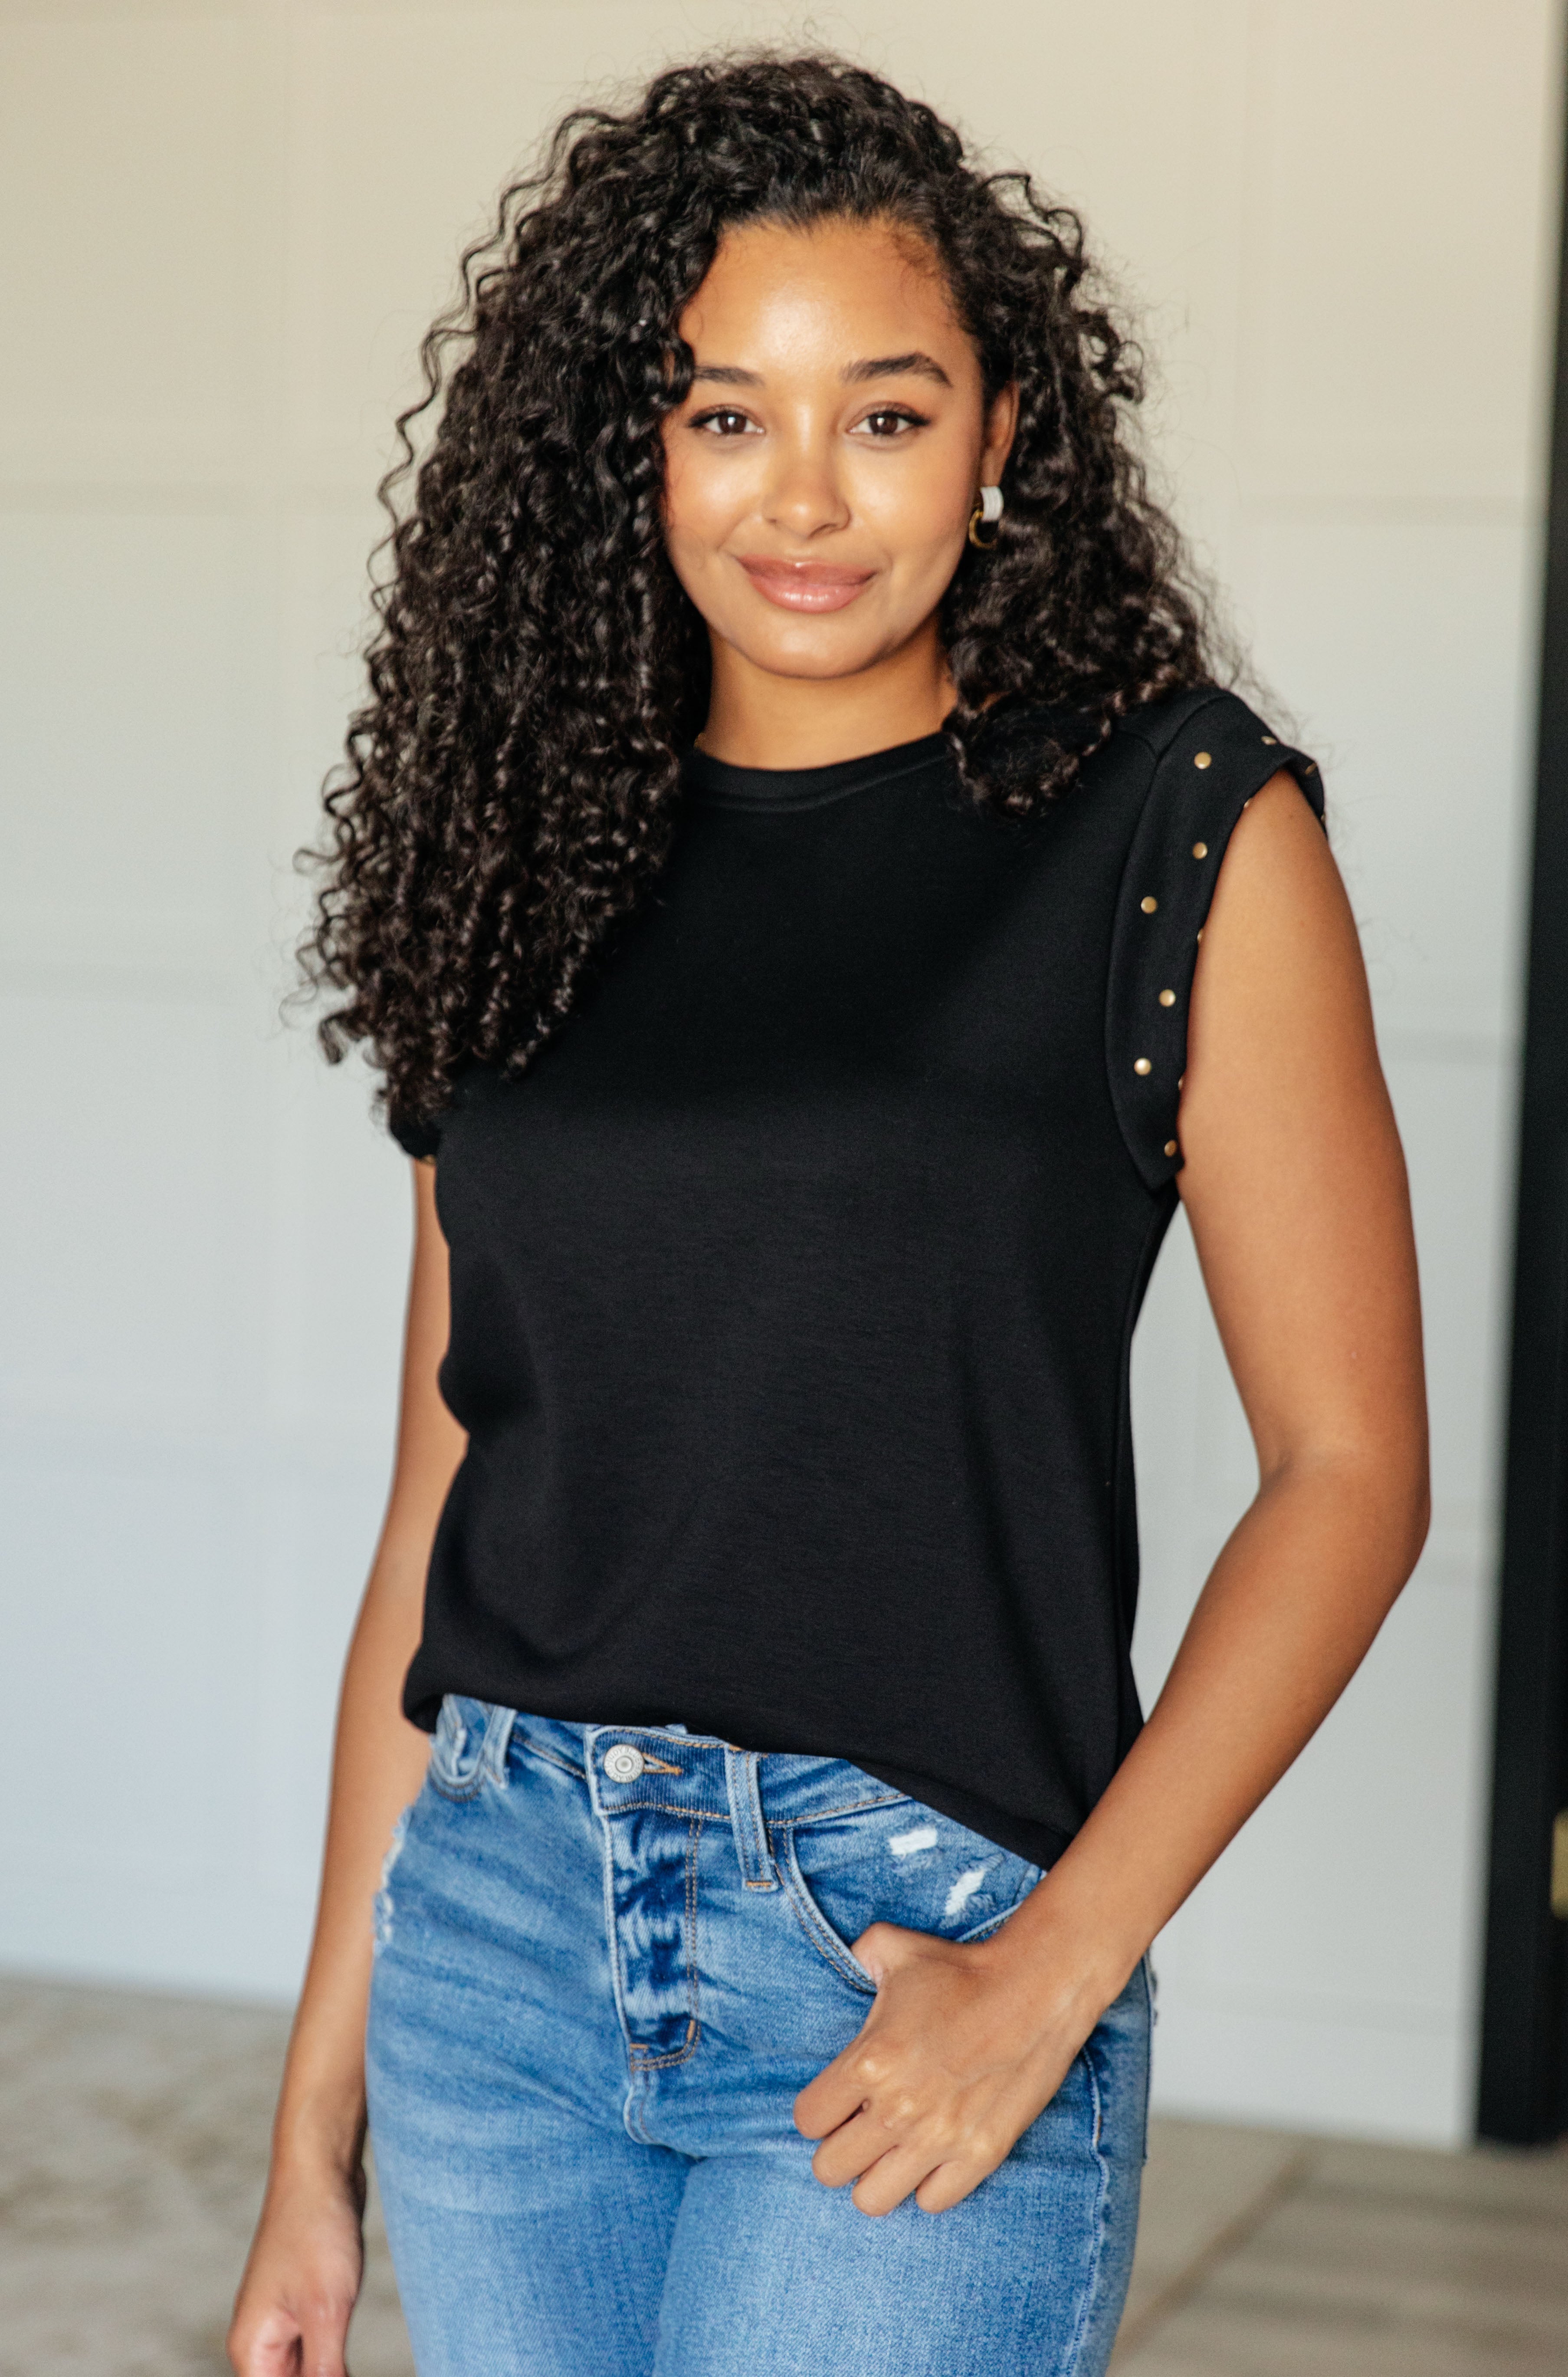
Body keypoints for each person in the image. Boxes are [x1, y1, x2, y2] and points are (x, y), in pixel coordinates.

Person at [229, 52, 1429, 2377]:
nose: (803, 496)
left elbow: (1350, 1473)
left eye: (882, 415)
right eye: (721, 415)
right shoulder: (527, 847)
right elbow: (445, 1499)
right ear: (629, 453)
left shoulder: (1172, 829)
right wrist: (316, 2123)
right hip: (495, 1926)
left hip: (903, 1945)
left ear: (1000, 440)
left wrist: (1054, 1968)